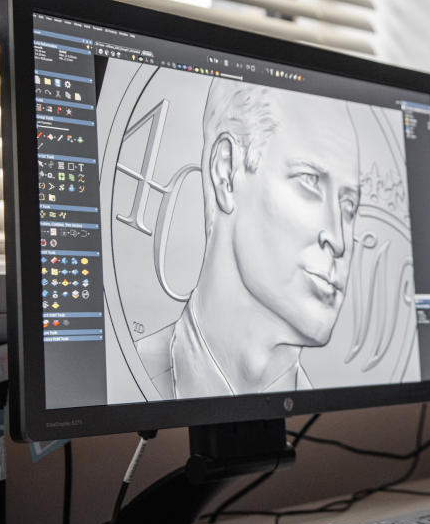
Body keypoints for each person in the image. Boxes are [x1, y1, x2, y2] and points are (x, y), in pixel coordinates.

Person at [140, 79, 362, 398]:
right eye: (310, 181)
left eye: (349, 205)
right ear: (226, 172)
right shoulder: (125, 376)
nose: (339, 240)